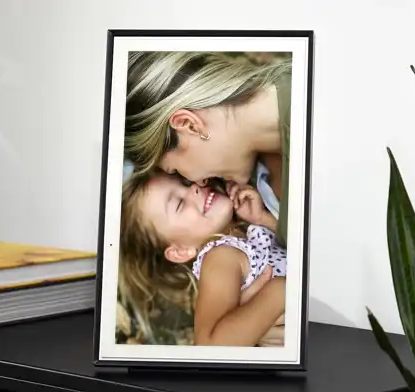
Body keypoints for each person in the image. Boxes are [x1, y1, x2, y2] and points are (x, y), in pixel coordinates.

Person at [124, 51, 292, 248]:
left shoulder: (320, 122)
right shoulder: (254, 181)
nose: (201, 183)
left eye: (176, 171)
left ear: (190, 125)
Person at [118, 170, 286, 346]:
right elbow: (209, 346)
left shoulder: (243, 238)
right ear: (180, 252)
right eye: (180, 204)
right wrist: (282, 290)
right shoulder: (219, 257)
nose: (195, 188)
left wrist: (264, 219)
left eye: (185, 183)